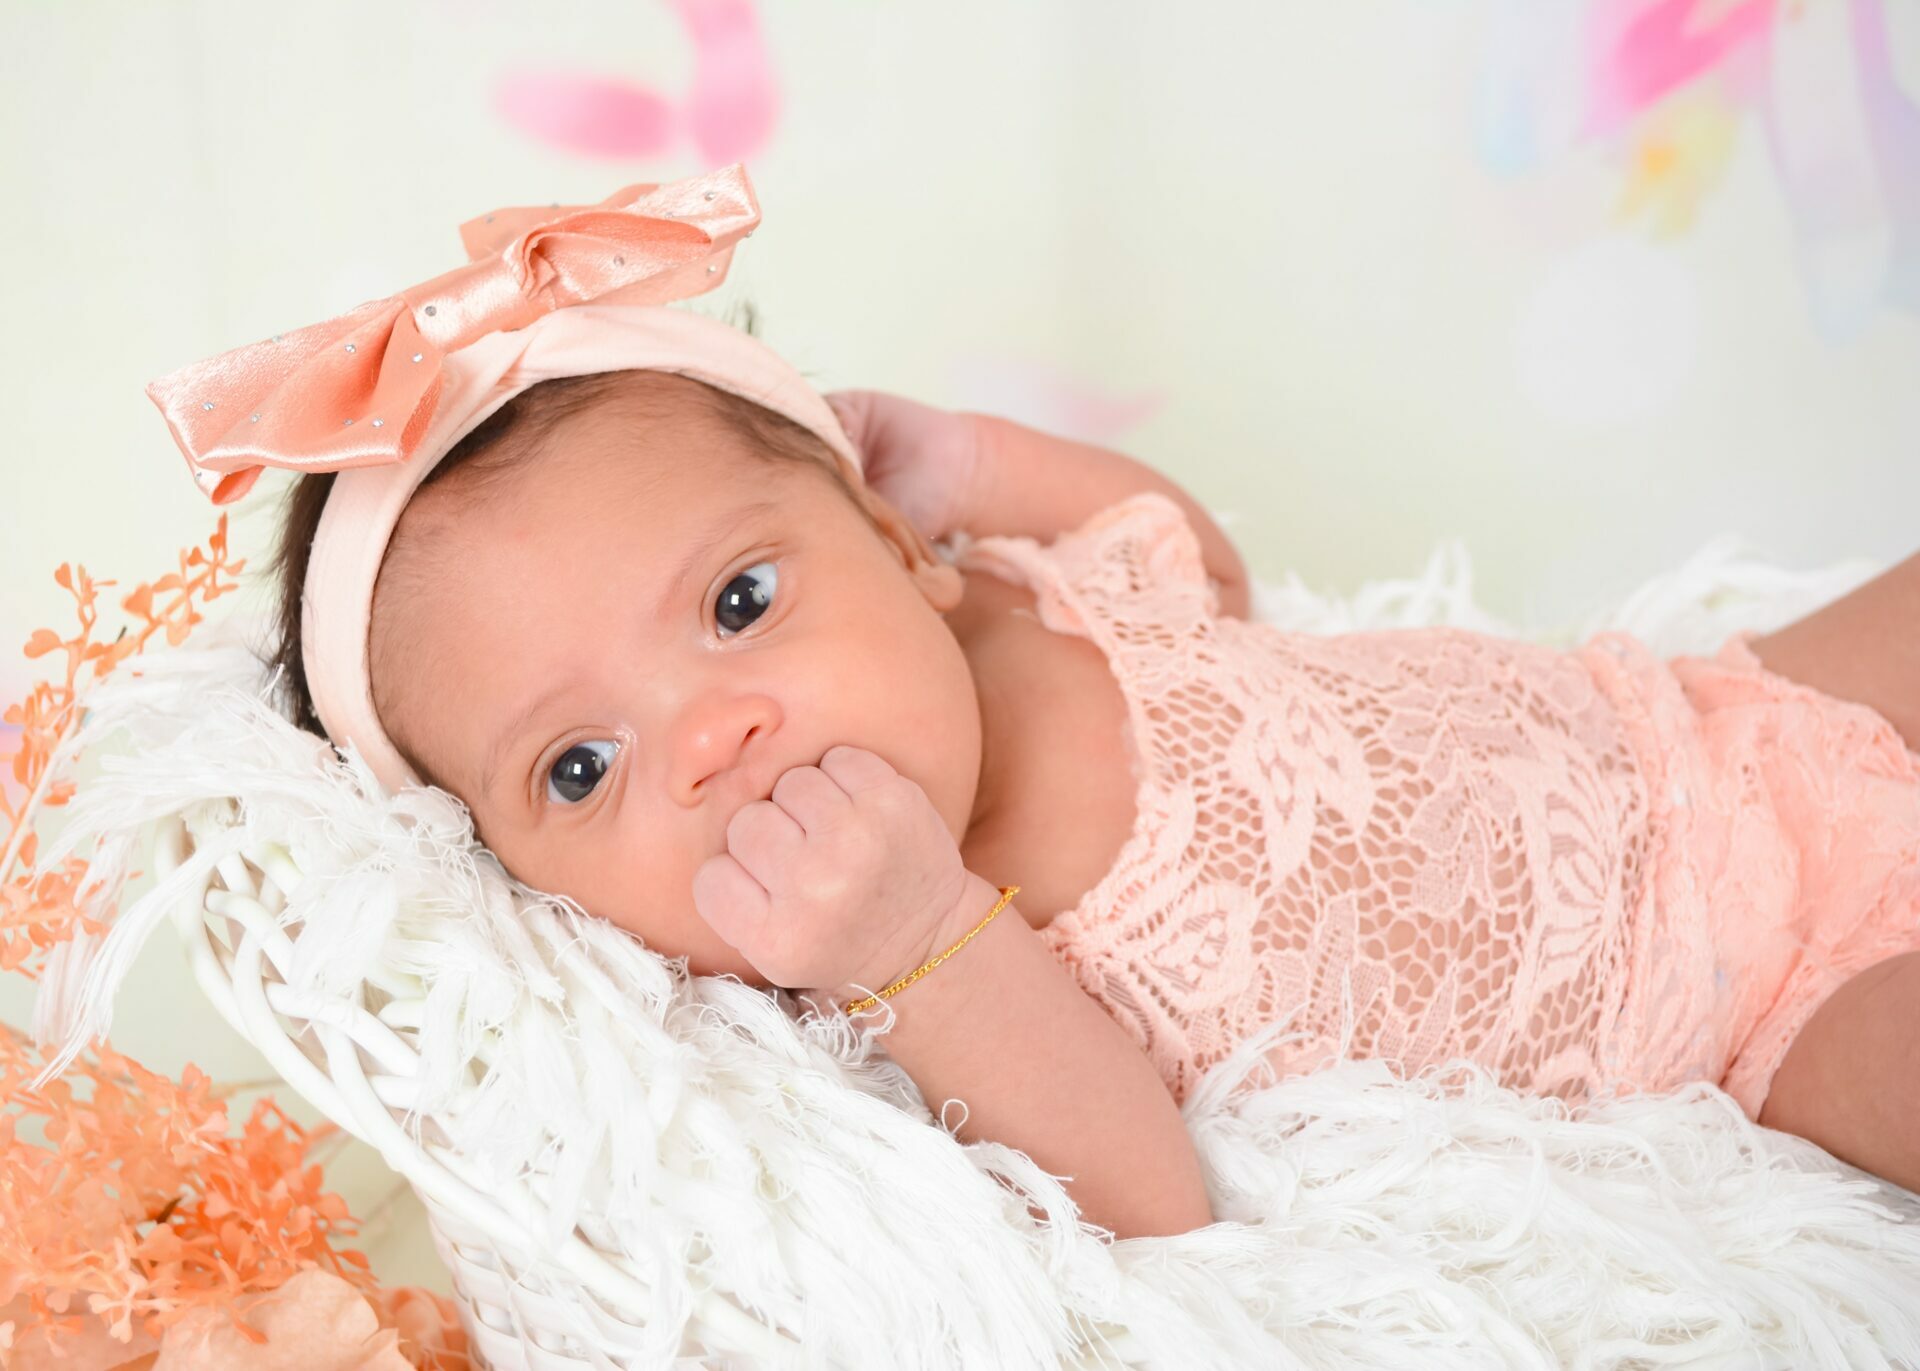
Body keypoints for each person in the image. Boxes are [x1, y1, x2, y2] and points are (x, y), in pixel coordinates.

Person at [146, 164, 1920, 1241]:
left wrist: (983, 462)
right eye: (580, 767)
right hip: (1742, 1010)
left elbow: (1203, 567)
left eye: (741, 603)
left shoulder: (1018, 594)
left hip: (1703, 714)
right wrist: (917, 942)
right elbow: (1144, 1201)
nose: (709, 738)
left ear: (898, 545)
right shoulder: (863, 999)